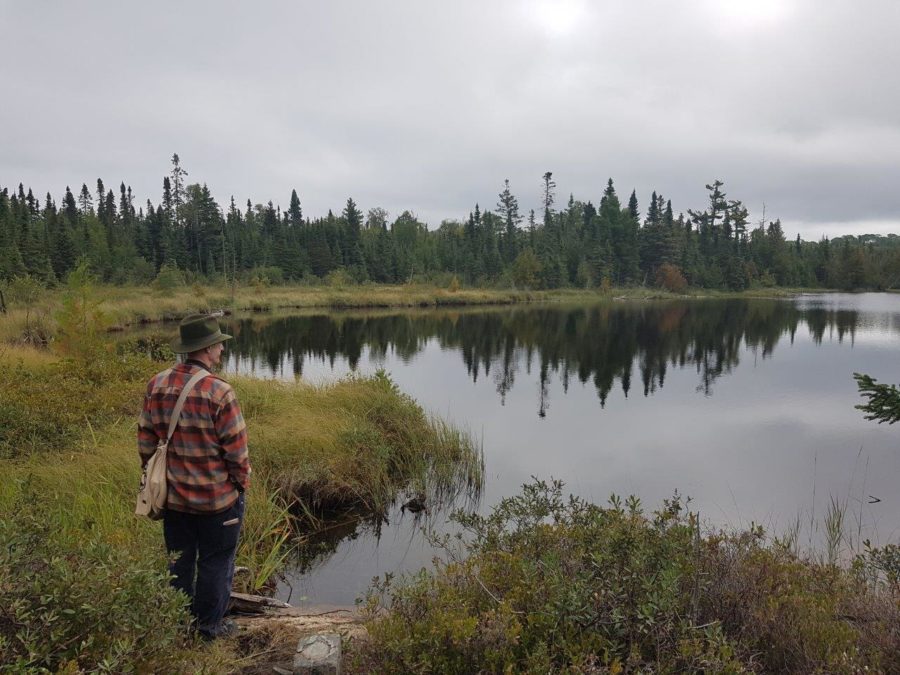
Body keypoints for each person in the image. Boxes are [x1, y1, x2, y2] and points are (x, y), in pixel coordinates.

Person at [137, 313, 251, 640]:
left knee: (179, 563)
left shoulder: (156, 383)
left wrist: (161, 475)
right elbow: (237, 454)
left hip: (174, 499)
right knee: (216, 563)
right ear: (208, 348)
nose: (221, 351)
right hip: (217, 502)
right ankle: (208, 630)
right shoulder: (219, 391)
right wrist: (239, 487)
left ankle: (177, 626)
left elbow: (145, 442)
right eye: (219, 346)